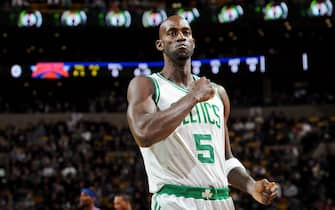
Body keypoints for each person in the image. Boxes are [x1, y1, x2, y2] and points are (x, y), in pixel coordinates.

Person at [126, 15, 279, 210]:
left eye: (186, 32)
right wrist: (193, 97)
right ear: (160, 44)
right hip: (176, 200)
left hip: (222, 200)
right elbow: (143, 133)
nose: (181, 37)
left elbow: (225, 159)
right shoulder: (147, 85)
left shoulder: (218, 93)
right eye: (172, 33)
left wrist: (251, 186)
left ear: (193, 42)